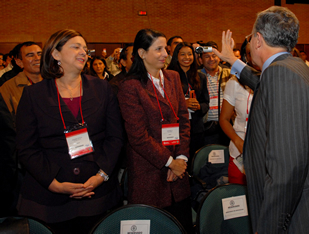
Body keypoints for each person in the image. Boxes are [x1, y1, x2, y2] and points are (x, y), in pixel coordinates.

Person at [214, 6, 309, 233]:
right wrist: (232, 61)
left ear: (257, 40)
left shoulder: (281, 74)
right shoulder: (292, 66)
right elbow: (264, 84)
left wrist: (269, 226)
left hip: (303, 215)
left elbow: (287, 168)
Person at [16, 29, 124, 233]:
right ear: (55, 54)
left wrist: (101, 176)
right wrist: (53, 184)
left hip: (98, 195)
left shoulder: (103, 88)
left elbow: (115, 138)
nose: (83, 52)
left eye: (85, 48)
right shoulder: (33, 95)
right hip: (49, 199)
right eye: (76, 47)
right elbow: (27, 148)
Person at [117, 29, 193, 233]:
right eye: (158, 49)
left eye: (165, 49)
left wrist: (182, 159)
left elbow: (184, 120)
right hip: (149, 173)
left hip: (178, 171)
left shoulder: (173, 77)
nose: (165, 54)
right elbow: (138, 136)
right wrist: (170, 162)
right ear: (142, 53)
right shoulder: (130, 86)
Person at [167, 42, 209, 159]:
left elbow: (206, 103)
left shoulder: (201, 77)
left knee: (196, 160)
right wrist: (183, 104)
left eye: (190, 54)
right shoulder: (168, 76)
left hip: (196, 128)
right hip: (176, 127)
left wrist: (199, 107)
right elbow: (164, 103)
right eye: (183, 54)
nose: (187, 58)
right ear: (176, 56)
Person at [219, 75, 252, 185]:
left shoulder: (274, 77)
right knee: (238, 195)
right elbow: (224, 119)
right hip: (239, 151)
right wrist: (238, 142)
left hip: (267, 153)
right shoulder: (234, 82)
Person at [198, 41, 232, 146]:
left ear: (219, 58)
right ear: (200, 60)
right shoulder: (196, 77)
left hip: (228, 126)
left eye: (214, 56)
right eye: (207, 56)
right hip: (206, 126)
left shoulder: (230, 74)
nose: (211, 59)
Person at [0, 42, 43, 121]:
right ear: (19, 62)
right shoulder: (8, 88)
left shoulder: (56, 82)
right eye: (30, 55)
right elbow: (7, 122)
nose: (37, 58)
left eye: (40, 54)